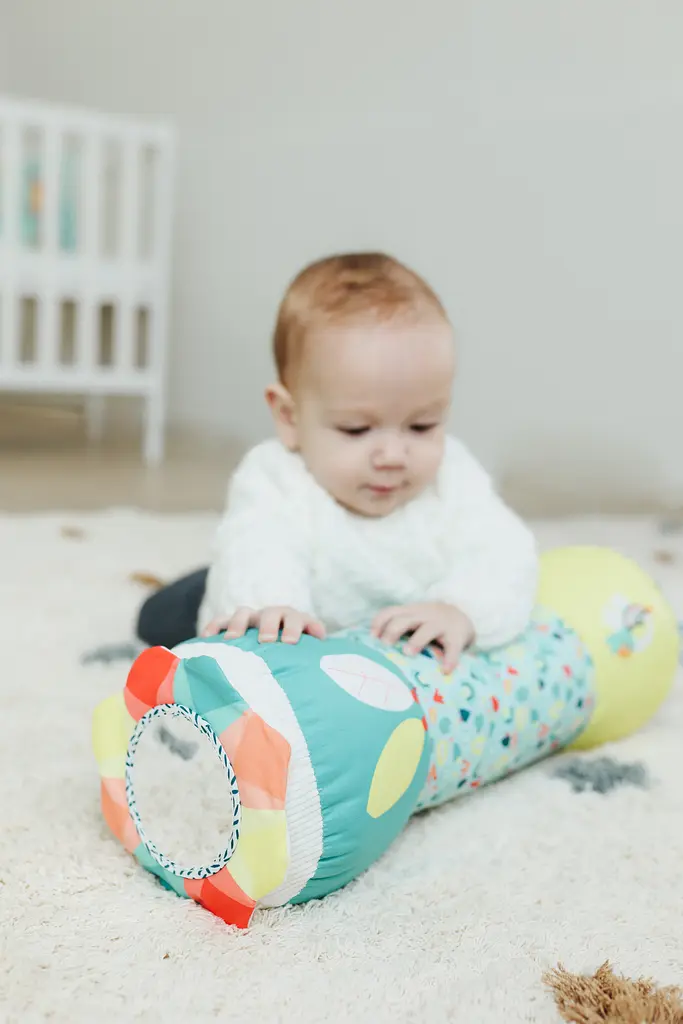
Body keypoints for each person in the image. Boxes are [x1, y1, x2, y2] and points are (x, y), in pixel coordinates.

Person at [138, 252, 537, 672]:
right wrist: (274, 607)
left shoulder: (453, 477)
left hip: (385, 634)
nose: (393, 456)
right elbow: (259, 544)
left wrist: (459, 609)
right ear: (290, 418)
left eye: (421, 426)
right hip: (294, 595)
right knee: (162, 616)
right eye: (356, 430)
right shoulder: (276, 477)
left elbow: (505, 552)